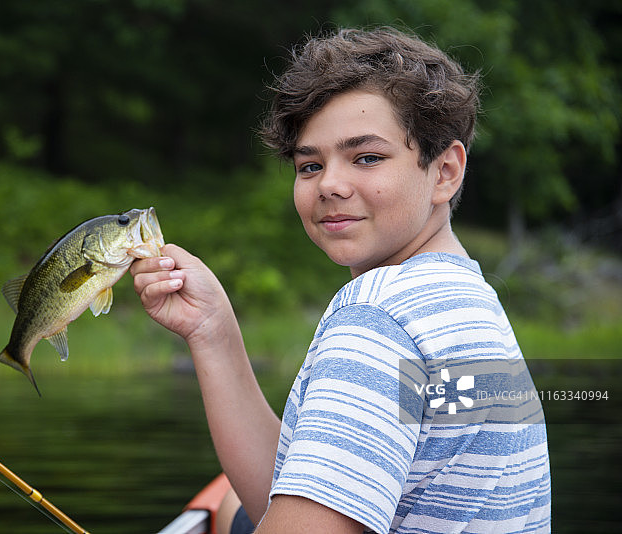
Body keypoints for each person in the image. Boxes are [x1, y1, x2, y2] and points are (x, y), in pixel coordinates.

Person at [131, 27, 551, 534]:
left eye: (367, 157)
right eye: (310, 165)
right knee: (230, 510)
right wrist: (213, 331)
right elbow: (296, 496)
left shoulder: (379, 319)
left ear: (445, 172)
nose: (329, 183)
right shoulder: (463, 298)